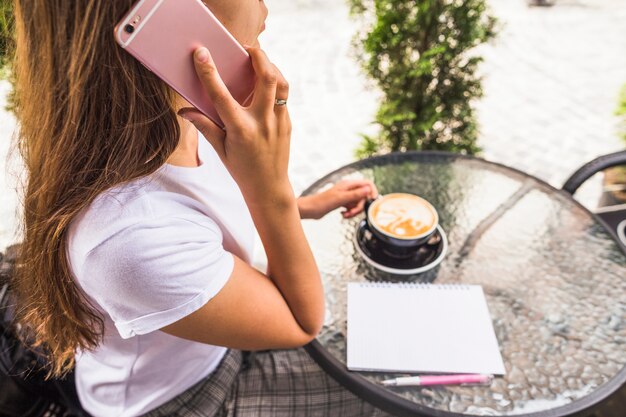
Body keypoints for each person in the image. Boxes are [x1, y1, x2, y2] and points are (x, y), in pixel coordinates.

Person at [12, 1, 391, 416]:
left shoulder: (179, 114)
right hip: (180, 394)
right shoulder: (129, 237)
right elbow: (301, 323)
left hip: (214, 333)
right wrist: (271, 185)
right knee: (380, 394)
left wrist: (304, 205)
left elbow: (205, 211)